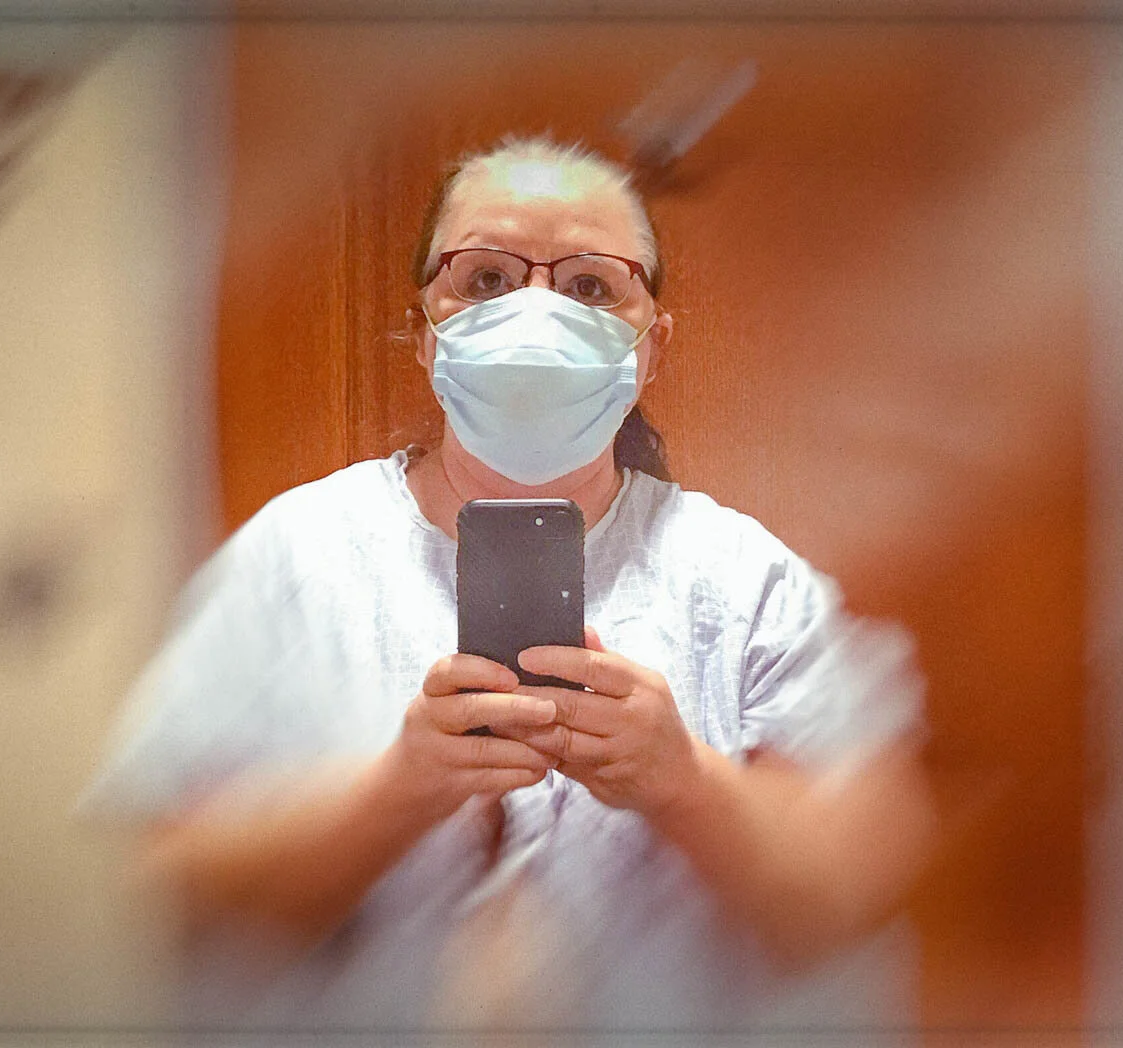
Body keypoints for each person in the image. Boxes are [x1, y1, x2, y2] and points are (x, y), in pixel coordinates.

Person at [81, 134, 936, 1034]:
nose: (537, 314)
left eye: (590, 286)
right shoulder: (296, 558)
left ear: (652, 347)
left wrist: (682, 783)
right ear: (423, 329)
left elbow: (844, 902)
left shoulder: (750, 582)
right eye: (486, 280)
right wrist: (402, 790)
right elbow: (171, 885)